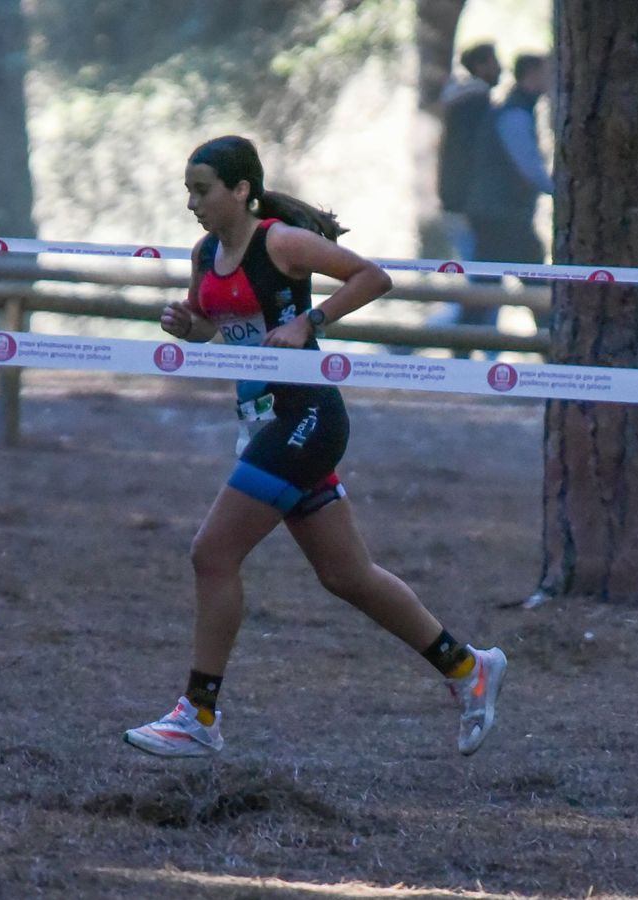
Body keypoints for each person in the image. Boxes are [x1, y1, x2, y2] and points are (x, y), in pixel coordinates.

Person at [124, 135, 507, 759]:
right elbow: (213, 329)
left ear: (241, 190)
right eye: (188, 191)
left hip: (307, 417)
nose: (192, 202)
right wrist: (185, 327)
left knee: (212, 553)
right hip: (262, 419)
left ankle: (197, 714)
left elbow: (371, 276)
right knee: (346, 574)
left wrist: (312, 321)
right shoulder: (205, 254)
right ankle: (469, 670)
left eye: (203, 190)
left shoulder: (279, 241)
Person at [462, 53, 554, 337]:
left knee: (484, 290)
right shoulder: (514, 113)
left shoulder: (515, 109)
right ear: (533, 74)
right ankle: (553, 356)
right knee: (536, 286)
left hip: (495, 214)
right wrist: (563, 192)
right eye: (547, 72)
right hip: (504, 216)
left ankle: (460, 354)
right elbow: (528, 166)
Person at [437, 42, 503, 262]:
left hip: (457, 197)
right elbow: (469, 154)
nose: (500, 68)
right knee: (472, 264)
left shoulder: (460, 102)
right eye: (494, 62)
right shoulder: (474, 103)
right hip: (466, 200)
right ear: (480, 65)